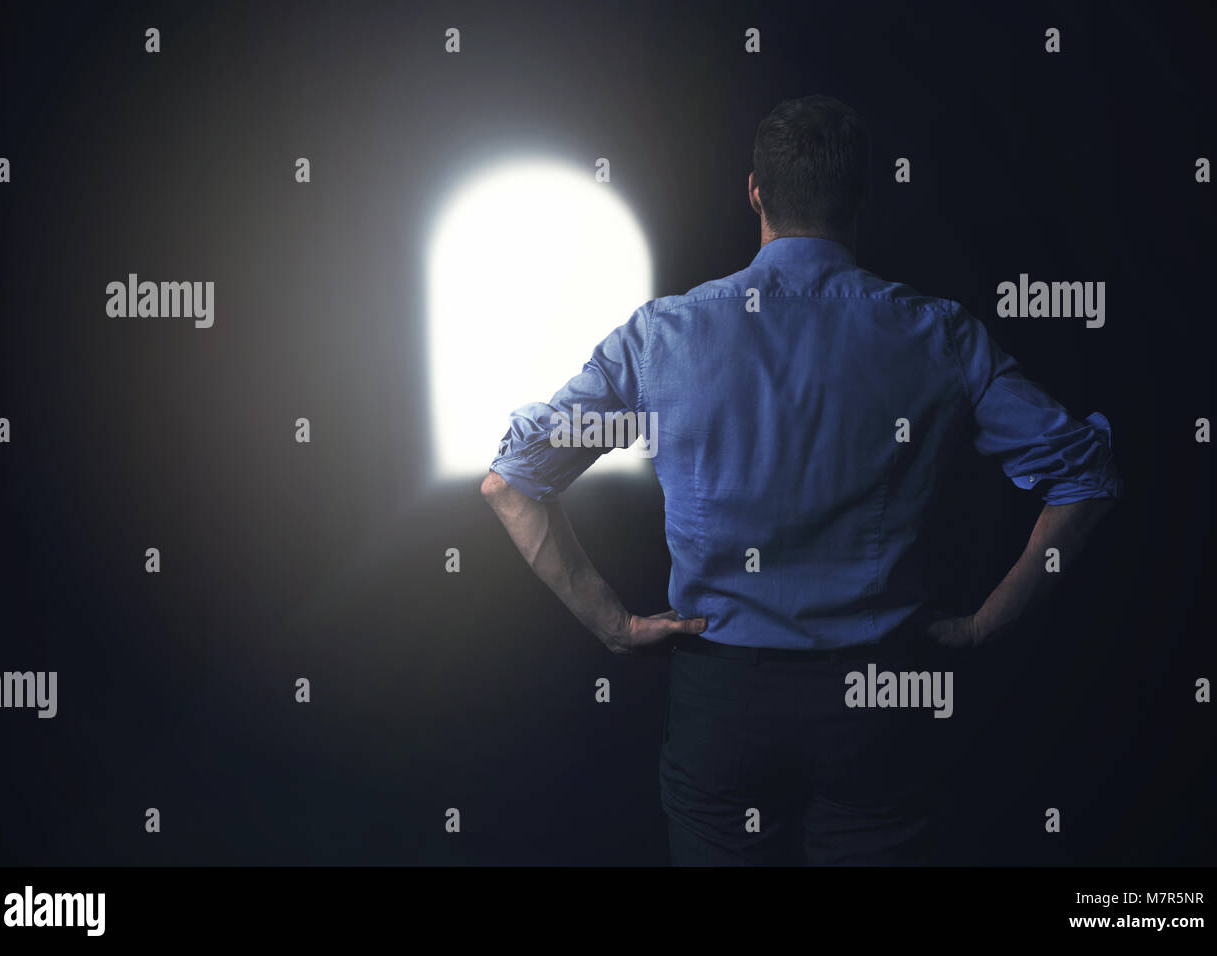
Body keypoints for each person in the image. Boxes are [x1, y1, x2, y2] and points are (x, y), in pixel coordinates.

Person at [480, 94, 1123, 865]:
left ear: (754, 191)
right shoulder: (938, 334)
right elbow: (1085, 476)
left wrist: (615, 626)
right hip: (877, 706)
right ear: (865, 195)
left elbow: (511, 483)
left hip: (722, 705)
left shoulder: (663, 335)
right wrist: (984, 626)